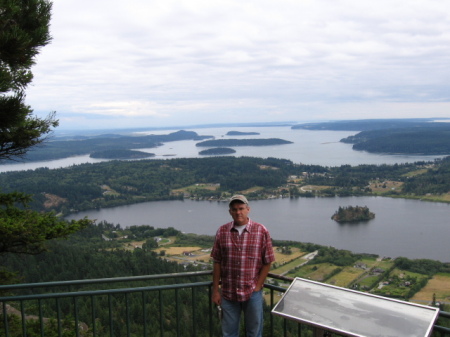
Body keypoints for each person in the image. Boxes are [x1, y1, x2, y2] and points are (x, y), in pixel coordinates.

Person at [211, 195, 275, 337]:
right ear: (230, 212)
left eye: (241, 209)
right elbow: (217, 262)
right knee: (229, 333)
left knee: (254, 332)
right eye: (234, 209)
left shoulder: (261, 231)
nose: (238, 212)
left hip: (252, 292)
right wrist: (216, 290)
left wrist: (258, 286)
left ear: (248, 209)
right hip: (228, 292)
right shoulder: (222, 231)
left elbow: (268, 261)